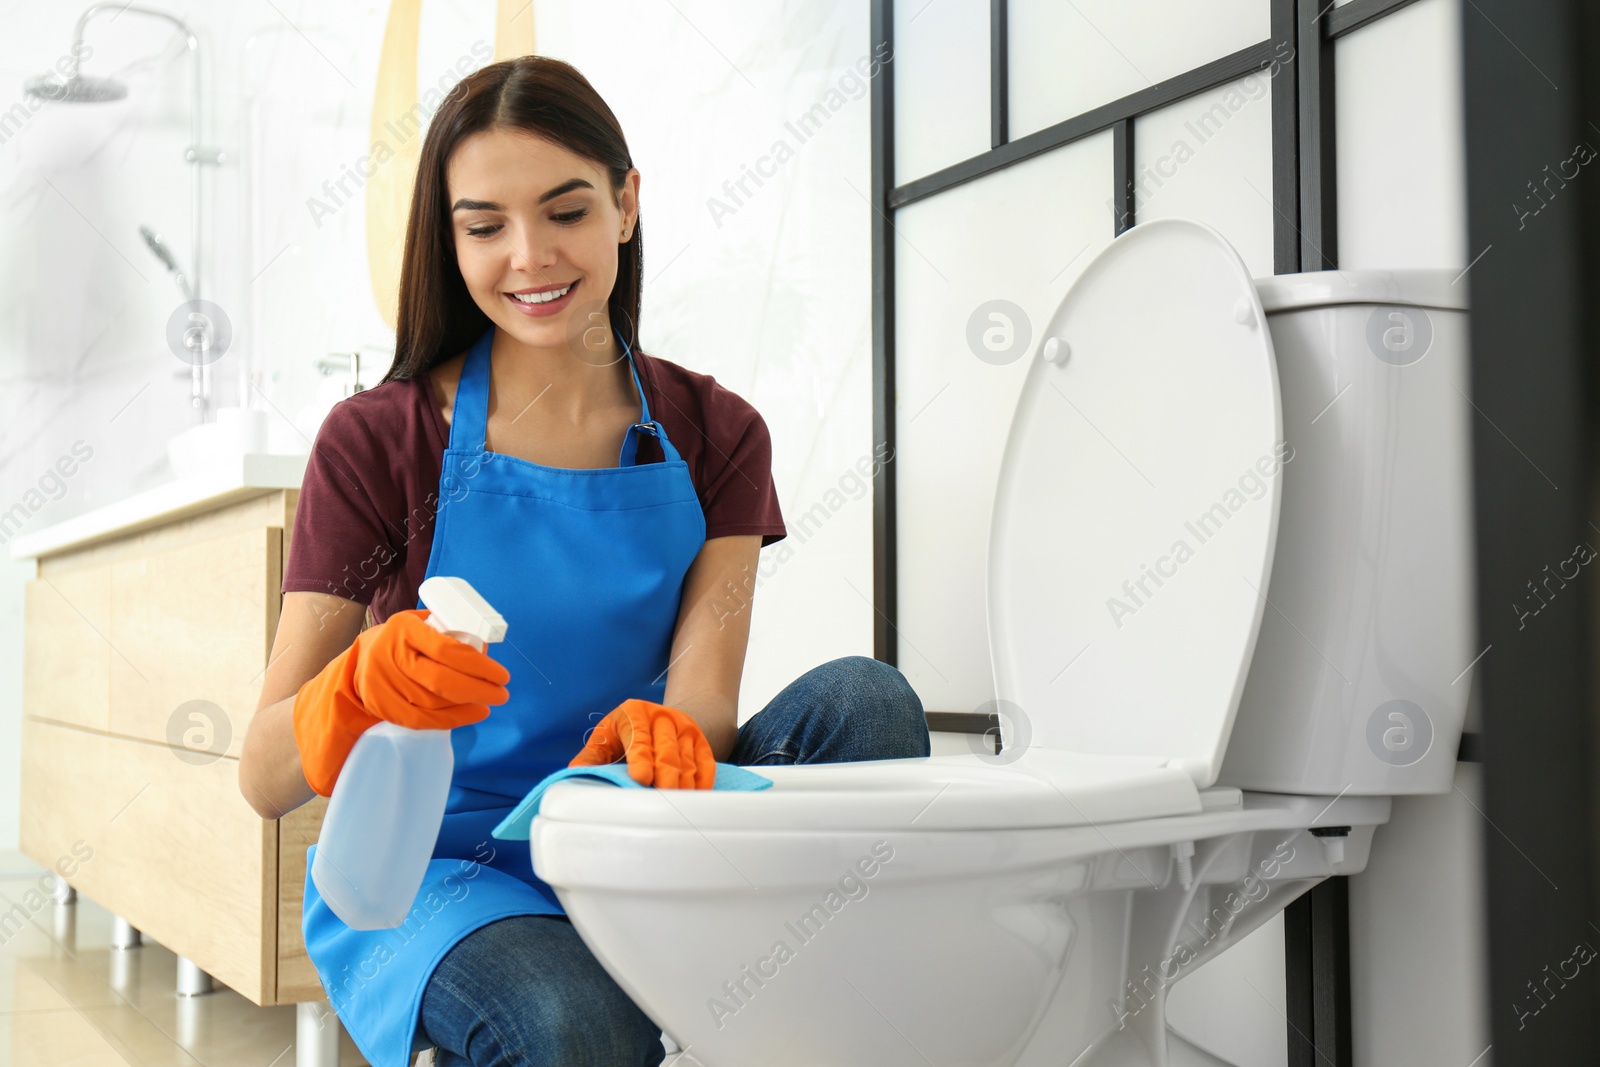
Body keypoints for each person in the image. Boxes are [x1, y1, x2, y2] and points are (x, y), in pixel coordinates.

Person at [237, 54, 930, 1067]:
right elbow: (262, 777)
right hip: (441, 867)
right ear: (451, 238)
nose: (530, 256)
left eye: (565, 211)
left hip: (634, 833)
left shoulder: (715, 431)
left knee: (867, 702)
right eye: (484, 227)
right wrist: (352, 688)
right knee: (575, 1032)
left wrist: (668, 731)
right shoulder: (383, 438)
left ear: (626, 204)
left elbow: (705, 704)